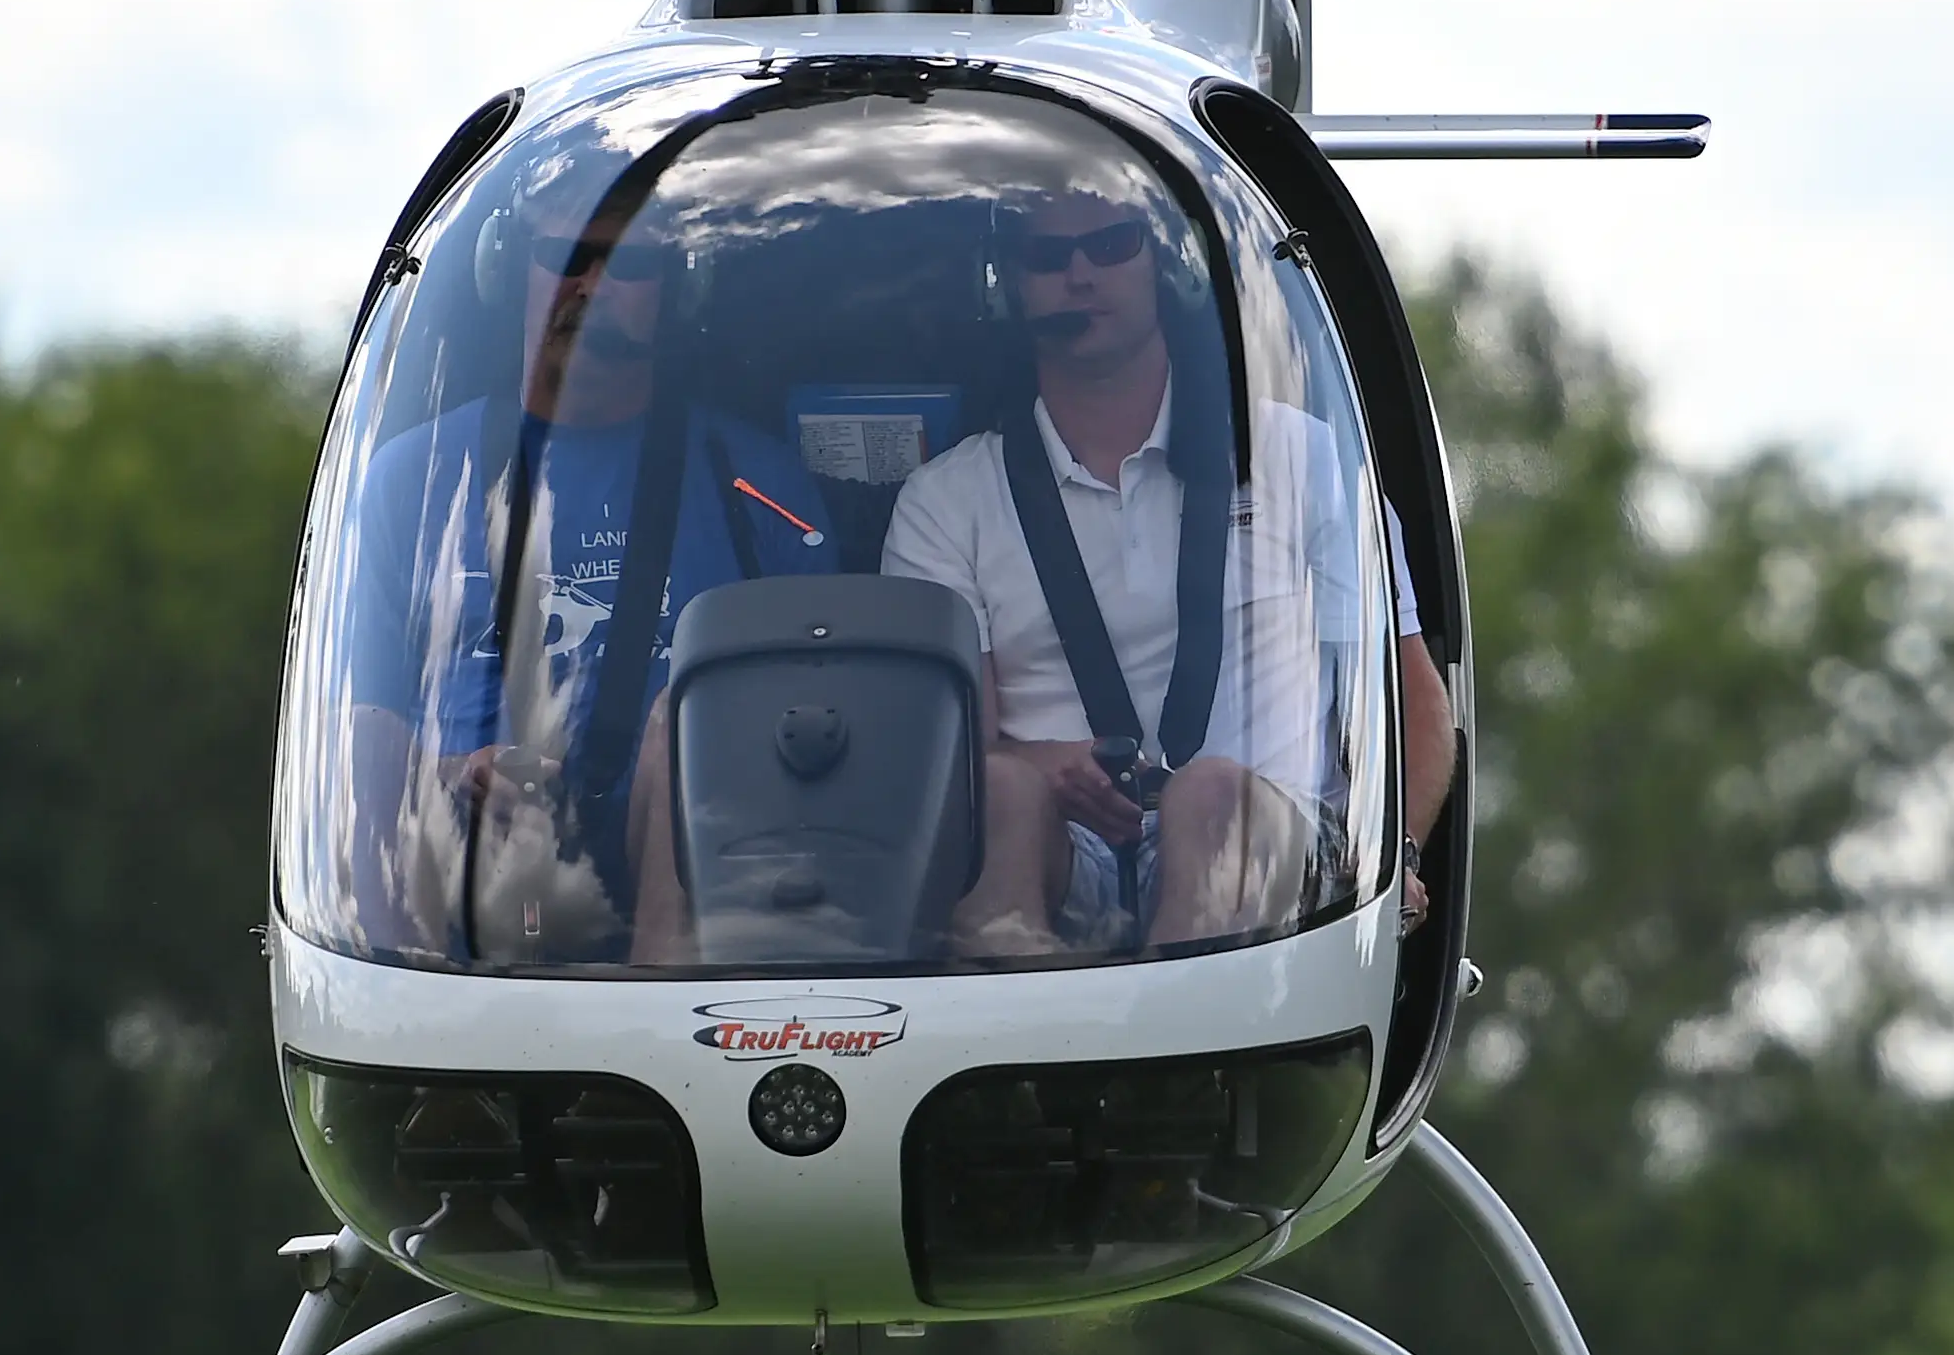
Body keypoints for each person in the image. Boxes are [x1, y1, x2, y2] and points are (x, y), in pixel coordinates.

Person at [872, 167, 1448, 960]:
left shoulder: (1305, 459)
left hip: (1272, 849)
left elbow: (1416, 704)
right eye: (1049, 256)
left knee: (1208, 797)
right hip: (1063, 851)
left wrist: (1401, 858)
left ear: (1162, 260)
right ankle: (1021, 1064)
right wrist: (1055, 767)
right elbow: (946, 752)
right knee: (996, 794)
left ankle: (1186, 1065)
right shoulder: (944, 499)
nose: (1080, 274)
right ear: (1013, 284)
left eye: (1110, 244)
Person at [318, 196, 825, 962]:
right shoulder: (412, 481)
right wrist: (450, 776)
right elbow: (359, 731)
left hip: (709, 868)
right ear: (508, 272)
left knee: (677, 732)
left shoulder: (760, 484)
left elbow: (826, 714)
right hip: (468, 872)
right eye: (566, 256)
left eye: (631, 264)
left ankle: (658, 1008)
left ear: (677, 291)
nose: (592, 284)